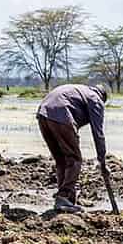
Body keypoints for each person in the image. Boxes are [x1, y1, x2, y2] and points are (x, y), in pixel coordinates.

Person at [36, 83, 110, 213]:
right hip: (61, 115)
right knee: (75, 159)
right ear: (102, 97)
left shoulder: (80, 91)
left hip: (43, 114)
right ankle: (63, 196)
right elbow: (98, 133)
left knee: (61, 161)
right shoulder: (96, 99)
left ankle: (66, 200)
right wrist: (102, 162)